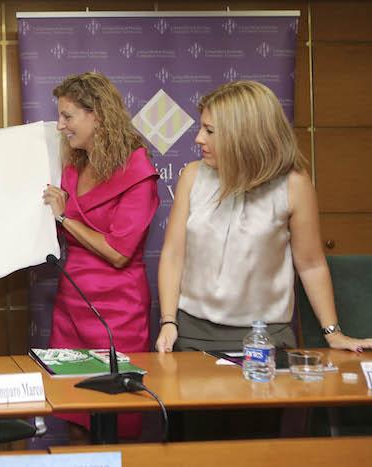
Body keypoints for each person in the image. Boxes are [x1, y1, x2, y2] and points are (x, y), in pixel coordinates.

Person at [155, 80, 372, 354]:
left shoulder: (293, 184)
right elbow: (173, 255)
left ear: (242, 135)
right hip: (192, 336)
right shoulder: (192, 176)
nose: (199, 138)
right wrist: (169, 322)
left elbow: (311, 264)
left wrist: (333, 333)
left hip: (265, 339)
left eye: (209, 131)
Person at [42, 72, 159, 440]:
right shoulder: (74, 166)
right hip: (71, 309)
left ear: (97, 115)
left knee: (116, 422)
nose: (60, 126)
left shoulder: (138, 171)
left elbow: (119, 252)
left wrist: (65, 218)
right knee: (75, 416)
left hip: (117, 315)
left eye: (67, 116)